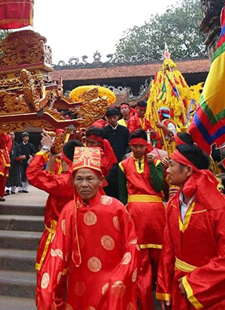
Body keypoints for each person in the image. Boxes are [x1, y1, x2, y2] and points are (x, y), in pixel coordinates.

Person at [156, 142, 225, 310]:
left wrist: (193, 283)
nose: (167, 170)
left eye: (172, 165)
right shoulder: (174, 204)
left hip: (215, 294)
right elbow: (168, 249)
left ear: (188, 170)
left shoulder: (223, 207)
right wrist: (165, 286)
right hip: (181, 289)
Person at [38, 146, 140, 310]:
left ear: (100, 180)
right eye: (79, 179)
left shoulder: (116, 208)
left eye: (90, 179)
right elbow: (58, 251)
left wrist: (120, 276)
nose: (84, 184)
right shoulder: (70, 210)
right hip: (79, 284)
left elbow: (132, 245)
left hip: (111, 281)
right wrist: (48, 285)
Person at [27, 134, 81, 306]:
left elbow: (33, 174)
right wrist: (51, 157)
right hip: (80, 236)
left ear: (64, 158)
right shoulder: (88, 178)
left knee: (49, 281)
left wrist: (44, 150)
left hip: (57, 237)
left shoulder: (64, 181)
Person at [118, 129, 165, 309]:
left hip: (156, 213)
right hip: (135, 213)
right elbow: (123, 194)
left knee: (160, 256)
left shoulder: (157, 161)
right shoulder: (123, 165)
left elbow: (158, 184)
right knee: (141, 260)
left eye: (141, 146)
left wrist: (153, 165)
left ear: (146, 145)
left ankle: (164, 294)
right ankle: (144, 302)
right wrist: (124, 212)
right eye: (135, 146)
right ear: (130, 146)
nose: (138, 150)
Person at [102, 107, 131, 200]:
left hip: (122, 160)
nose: (112, 120)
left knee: (122, 183)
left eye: (114, 117)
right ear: (106, 118)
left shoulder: (124, 130)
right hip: (109, 163)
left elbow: (129, 144)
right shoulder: (104, 131)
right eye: (110, 118)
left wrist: (126, 156)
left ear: (118, 117)